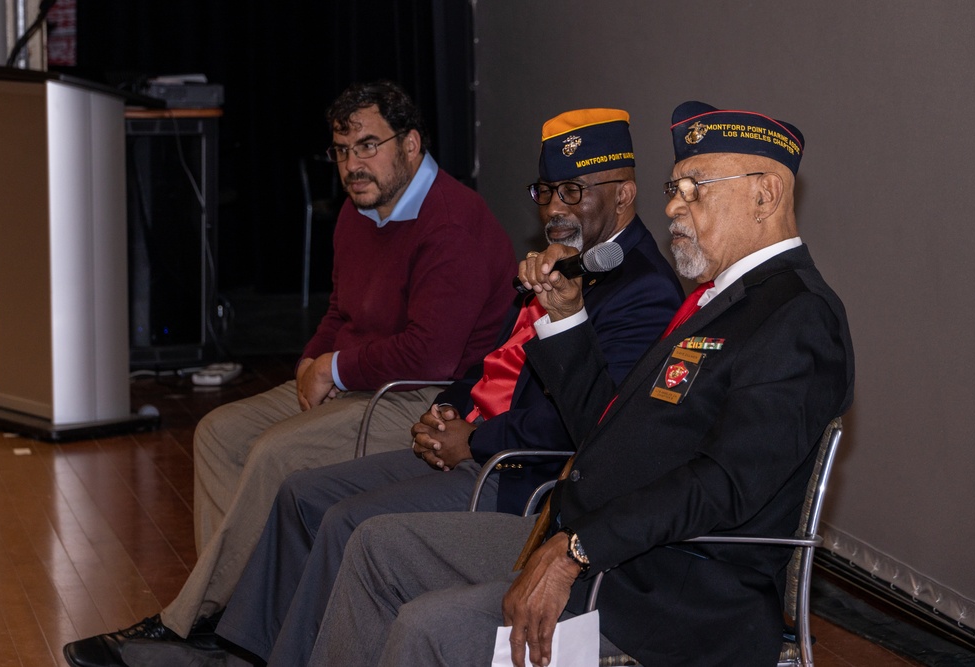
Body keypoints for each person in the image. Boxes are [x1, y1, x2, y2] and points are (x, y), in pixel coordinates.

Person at [306, 100, 856, 667]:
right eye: (674, 185)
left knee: (429, 629)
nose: (671, 205)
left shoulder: (797, 317)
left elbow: (726, 484)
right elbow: (604, 430)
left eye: (695, 187)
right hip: (596, 538)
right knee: (377, 547)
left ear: (764, 195)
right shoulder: (717, 300)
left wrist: (576, 551)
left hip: (665, 591)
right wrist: (566, 318)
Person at [203, 109, 684, 666]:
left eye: (574, 191)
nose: (556, 207)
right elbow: (494, 359)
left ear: (623, 195)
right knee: (303, 493)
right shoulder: (565, 260)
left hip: (515, 472)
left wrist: (472, 440)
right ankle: (242, 651)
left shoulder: (643, 290)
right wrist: (446, 406)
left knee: (347, 523)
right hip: (475, 441)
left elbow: (590, 425)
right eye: (547, 190)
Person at [62, 80, 517, 667]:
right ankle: (231, 621)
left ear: (410, 145)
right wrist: (311, 360)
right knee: (219, 434)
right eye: (341, 150)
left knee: (278, 453)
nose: (353, 166)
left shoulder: (451, 223)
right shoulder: (362, 210)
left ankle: (189, 626)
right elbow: (339, 312)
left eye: (368, 146)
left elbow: (429, 355)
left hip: (421, 399)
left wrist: (334, 366)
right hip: (356, 379)